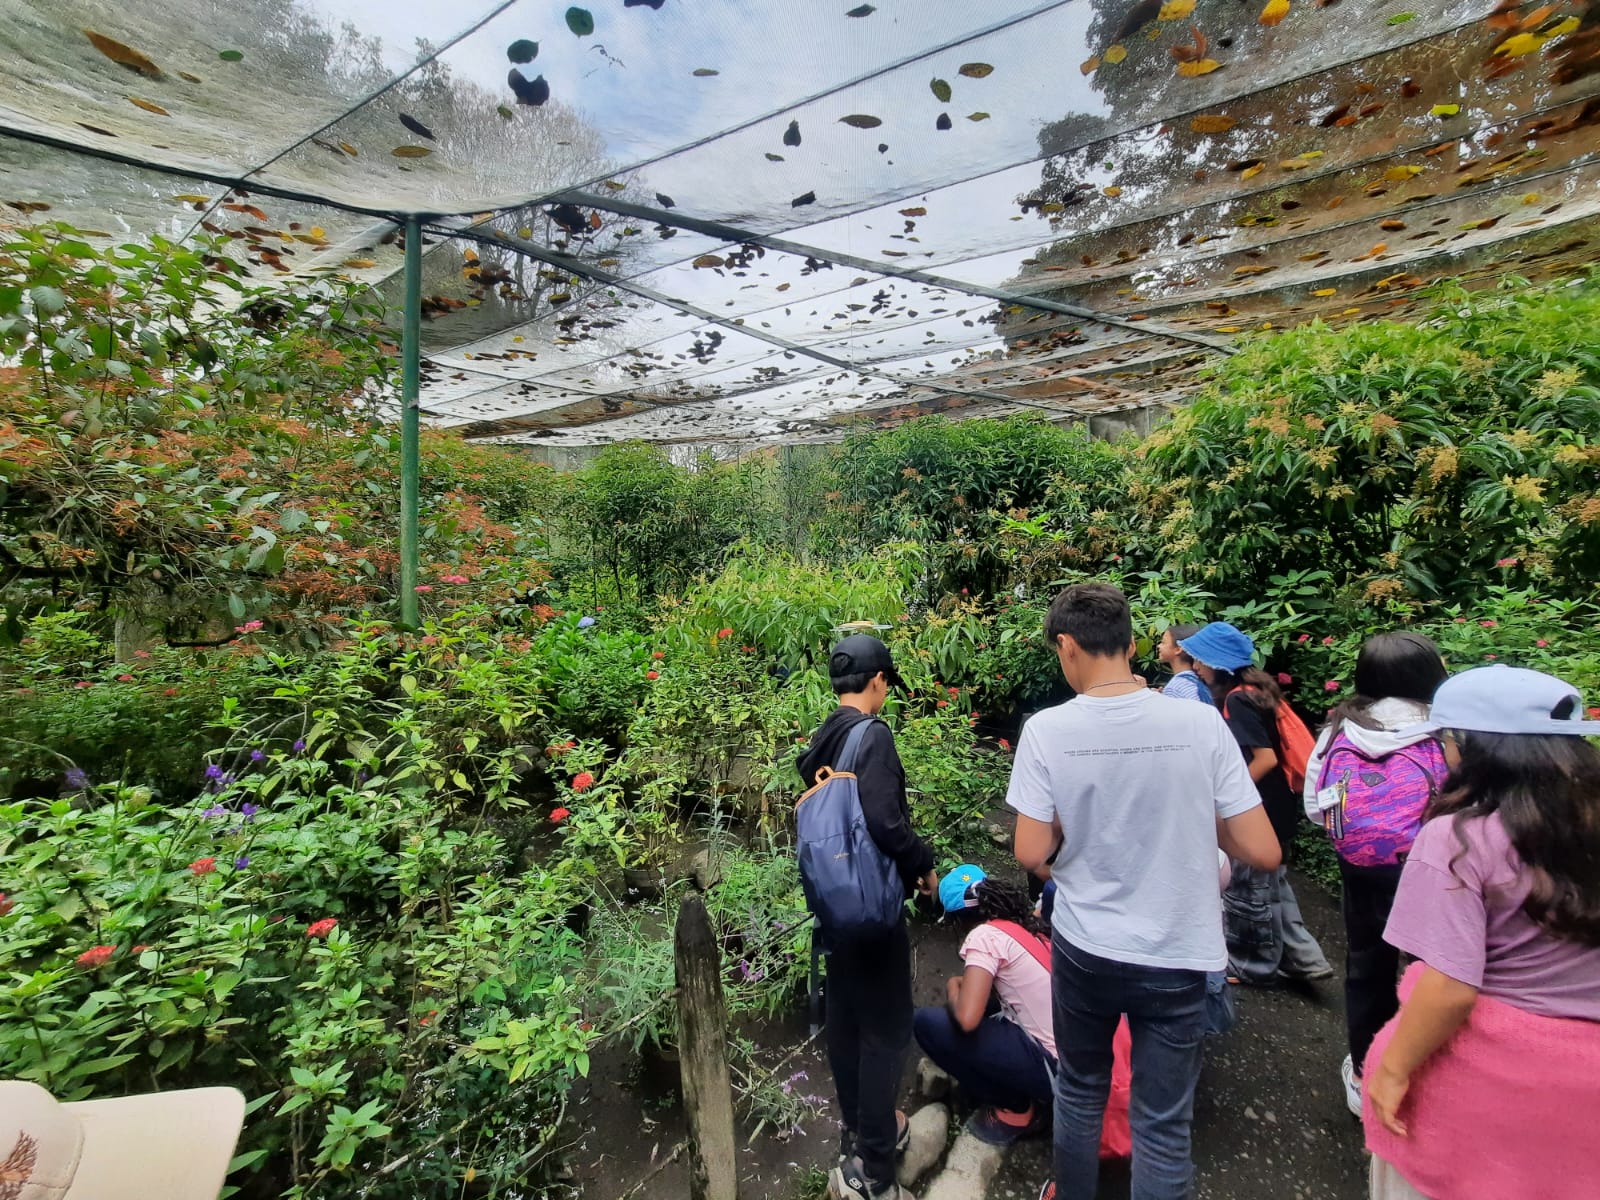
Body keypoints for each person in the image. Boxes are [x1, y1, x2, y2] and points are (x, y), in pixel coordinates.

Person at [1009, 583, 1282, 1200]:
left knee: (1080, 1090)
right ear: (1131, 645)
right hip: (1180, 952)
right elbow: (1263, 849)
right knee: (1163, 1125)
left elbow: (1029, 852)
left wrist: (1068, 842)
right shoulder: (1199, 723)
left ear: (1067, 646)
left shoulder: (1047, 731)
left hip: (1087, 950)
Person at [1363, 665, 1600, 1200]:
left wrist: (1394, 1069)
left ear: (1471, 746)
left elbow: (1449, 986)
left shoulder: (1460, 837)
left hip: (1487, 1085)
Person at [798, 633, 937, 1200]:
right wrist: (923, 865)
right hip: (872, 910)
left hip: (832, 907)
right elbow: (884, 822)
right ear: (878, 681)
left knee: (847, 1021)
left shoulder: (822, 738)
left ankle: (860, 1130)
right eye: (886, 685)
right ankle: (874, 1170)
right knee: (887, 1030)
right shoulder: (871, 735)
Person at [1302, 633, 1448, 1116]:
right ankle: (1428, 1069)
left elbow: (1314, 805)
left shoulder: (1341, 727)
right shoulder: (1444, 730)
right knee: (1438, 967)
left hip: (1361, 865)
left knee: (1368, 962)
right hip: (1429, 866)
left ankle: (1365, 1070)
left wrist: (1358, 834)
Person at [1181, 621, 1333, 987]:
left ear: (1218, 663)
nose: (1195, 666)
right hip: (1280, 802)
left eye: (1200, 659)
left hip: (1261, 805)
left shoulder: (1237, 699)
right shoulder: (1255, 690)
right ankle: (1306, 959)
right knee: (1273, 885)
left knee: (1249, 890)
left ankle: (1252, 966)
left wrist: (1229, 795)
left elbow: (1263, 758)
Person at [913, 868, 1057, 1145]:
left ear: (957, 919)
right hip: (1077, 1057)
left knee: (928, 1024)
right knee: (983, 1006)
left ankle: (1015, 1111)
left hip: (1055, 1070)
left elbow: (967, 1018)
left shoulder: (984, 937)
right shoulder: (1020, 924)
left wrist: (954, 986)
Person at [1157, 623, 1209, 704]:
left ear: (1178, 649)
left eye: (1163, 642)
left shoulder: (1176, 687)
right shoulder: (1198, 681)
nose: (1159, 646)